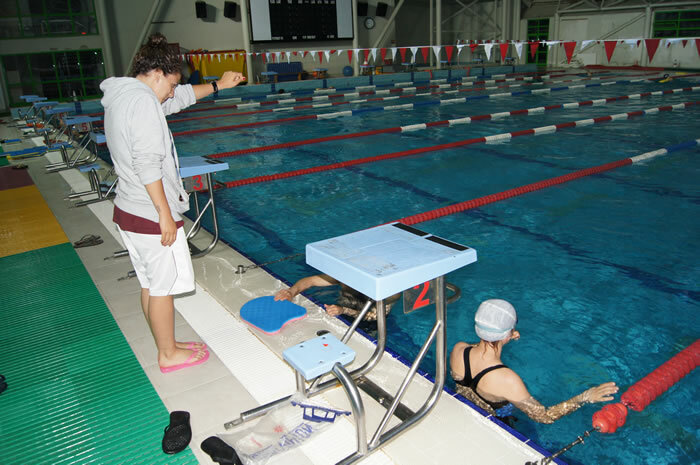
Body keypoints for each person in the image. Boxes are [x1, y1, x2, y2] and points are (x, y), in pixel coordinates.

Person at [100, 33, 246, 373]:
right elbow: (147, 164)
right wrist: (165, 215)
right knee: (162, 287)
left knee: (151, 284)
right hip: (150, 213)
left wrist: (218, 85)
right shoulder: (143, 104)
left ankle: (166, 344)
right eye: (170, 84)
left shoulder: (126, 95)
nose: (171, 93)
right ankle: (168, 354)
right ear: (157, 74)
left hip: (129, 208)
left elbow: (177, 99)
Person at [450, 299, 618, 424]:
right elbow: (544, 416)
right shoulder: (507, 380)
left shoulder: (459, 350)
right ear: (508, 333)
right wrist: (585, 397)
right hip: (493, 423)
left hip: (462, 408)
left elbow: (479, 347)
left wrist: (505, 335)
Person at [274, 274, 398, 321]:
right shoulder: (345, 275)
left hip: (369, 323)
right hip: (341, 309)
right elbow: (310, 281)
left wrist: (344, 310)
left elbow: (375, 317)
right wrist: (291, 291)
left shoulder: (387, 291)